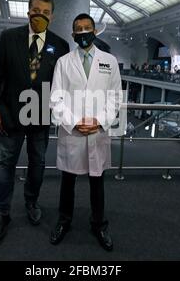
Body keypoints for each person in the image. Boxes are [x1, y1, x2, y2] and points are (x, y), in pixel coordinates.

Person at [0, 0, 69, 244]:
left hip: (41, 116)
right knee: (6, 165)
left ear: (52, 16)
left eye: (45, 12)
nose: (39, 15)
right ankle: (2, 213)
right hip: (11, 116)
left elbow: (63, 85)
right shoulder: (9, 38)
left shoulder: (61, 46)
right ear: (28, 11)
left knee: (38, 164)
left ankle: (31, 202)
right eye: (35, 10)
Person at [49, 13, 123, 251]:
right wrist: (74, 122)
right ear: (73, 35)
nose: (83, 32)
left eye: (87, 28)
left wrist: (100, 122)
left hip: (97, 133)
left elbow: (115, 98)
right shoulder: (63, 62)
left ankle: (99, 225)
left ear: (95, 31)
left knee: (97, 181)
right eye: (78, 29)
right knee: (67, 182)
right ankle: (63, 222)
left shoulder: (109, 61)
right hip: (73, 132)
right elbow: (56, 99)